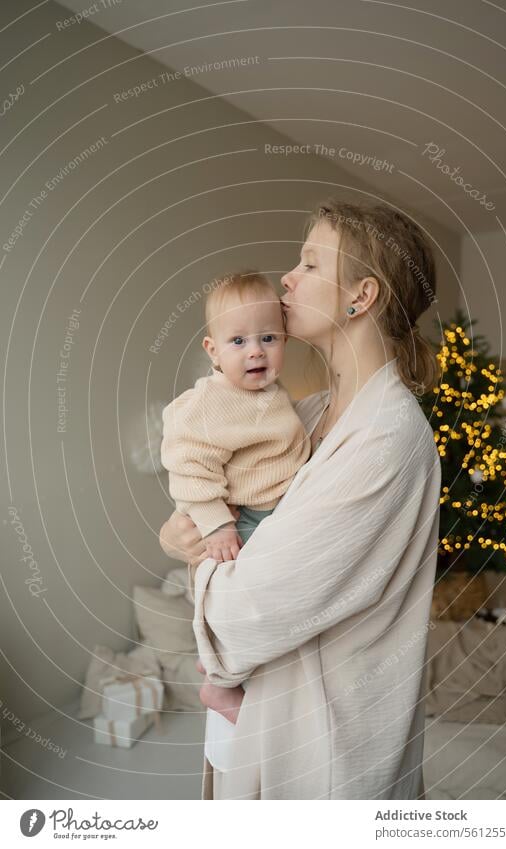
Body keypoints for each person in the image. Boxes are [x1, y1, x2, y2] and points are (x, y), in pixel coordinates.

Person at [160, 198, 442, 800]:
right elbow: (224, 502)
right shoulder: (304, 415)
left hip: (325, 750)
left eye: (310, 263)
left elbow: (244, 617)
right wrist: (186, 529)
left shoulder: (386, 441)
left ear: (360, 297)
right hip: (261, 719)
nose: (287, 277)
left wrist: (198, 561)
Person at [160, 270, 311, 768]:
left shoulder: (271, 395)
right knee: (239, 610)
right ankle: (219, 685)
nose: (256, 352)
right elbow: (188, 466)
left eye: (268, 338)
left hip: (272, 514)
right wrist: (216, 524)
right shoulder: (208, 405)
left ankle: (224, 670)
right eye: (239, 340)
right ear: (212, 349)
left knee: (263, 612)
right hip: (241, 521)